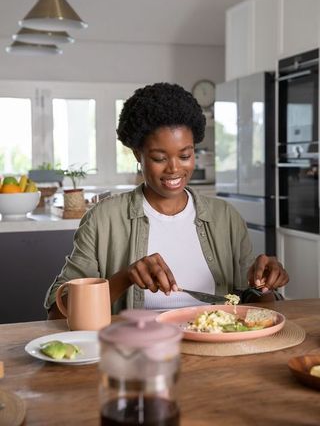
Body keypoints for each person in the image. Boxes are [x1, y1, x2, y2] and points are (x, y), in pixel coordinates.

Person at [45, 82, 289, 319]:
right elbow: (58, 313)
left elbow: (255, 306)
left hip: (216, 353)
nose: (174, 169)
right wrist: (126, 277)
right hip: (135, 352)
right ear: (137, 154)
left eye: (185, 155)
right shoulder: (103, 219)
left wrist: (264, 284)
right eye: (159, 157)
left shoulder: (225, 217)